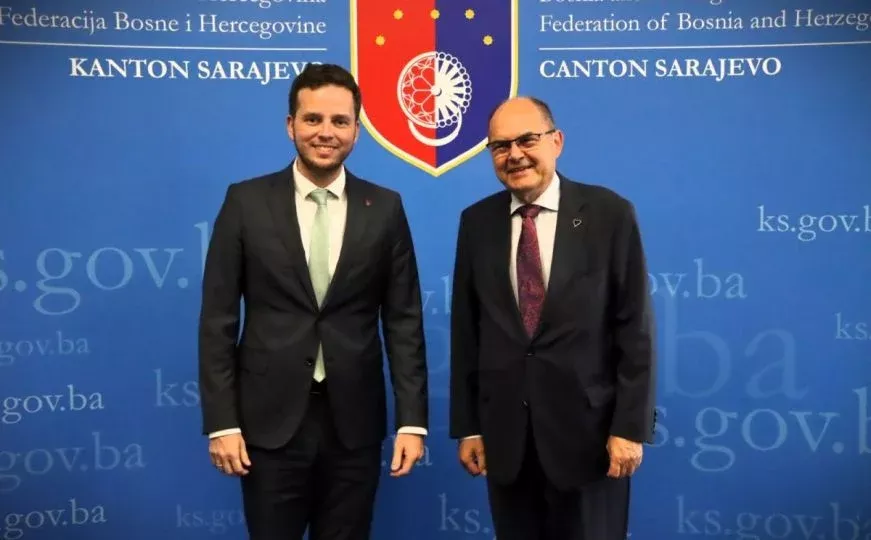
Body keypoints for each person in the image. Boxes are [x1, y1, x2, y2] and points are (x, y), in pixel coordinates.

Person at [198, 63, 429, 540]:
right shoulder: (245, 202)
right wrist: (222, 423)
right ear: (291, 125)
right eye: (313, 119)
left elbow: (403, 320)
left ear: (356, 131)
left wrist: (412, 422)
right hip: (268, 424)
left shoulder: (385, 207)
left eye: (340, 121)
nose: (326, 132)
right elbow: (217, 320)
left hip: (355, 425)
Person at [448, 96, 657, 540]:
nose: (515, 155)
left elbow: (635, 328)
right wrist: (468, 427)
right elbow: (467, 332)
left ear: (556, 141)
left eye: (527, 140)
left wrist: (629, 428)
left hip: (591, 441)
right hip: (507, 443)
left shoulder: (609, 214)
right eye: (500, 146)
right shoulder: (476, 222)